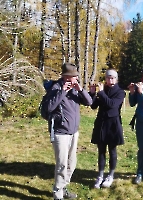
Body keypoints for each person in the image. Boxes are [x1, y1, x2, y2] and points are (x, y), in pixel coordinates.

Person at [47, 63, 92, 200]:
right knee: (62, 164)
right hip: (60, 133)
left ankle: (63, 187)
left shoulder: (75, 89)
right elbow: (49, 108)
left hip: (73, 132)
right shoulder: (56, 88)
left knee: (71, 164)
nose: (76, 79)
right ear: (66, 77)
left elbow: (89, 102)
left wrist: (81, 89)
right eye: (74, 77)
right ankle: (58, 194)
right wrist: (62, 92)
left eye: (76, 77)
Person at [89, 69, 125, 189]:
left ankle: (110, 175)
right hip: (101, 123)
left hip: (113, 124)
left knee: (112, 150)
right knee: (101, 151)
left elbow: (112, 105)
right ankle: (100, 175)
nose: (110, 80)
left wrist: (101, 93)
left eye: (113, 78)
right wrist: (93, 93)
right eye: (108, 78)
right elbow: (93, 106)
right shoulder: (102, 91)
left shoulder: (120, 92)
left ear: (116, 79)